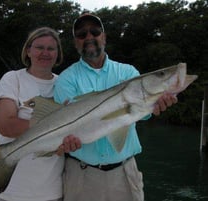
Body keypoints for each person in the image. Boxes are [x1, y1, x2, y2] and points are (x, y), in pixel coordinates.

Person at [54, 13, 178, 201]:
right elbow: (67, 126)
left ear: (103, 37)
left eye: (94, 32)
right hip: (81, 175)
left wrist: (154, 105)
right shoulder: (66, 79)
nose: (89, 37)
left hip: (125, 173)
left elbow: (141, 115)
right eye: (82, 34)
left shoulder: (128, 72)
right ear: (75, 42)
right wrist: (66, 142)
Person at [0, 27, 69, 201]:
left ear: (58, 54)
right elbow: (6, 126)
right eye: (39, 47)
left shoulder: (65, 84)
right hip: (12, 193)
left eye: (51, 48)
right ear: (28, 50)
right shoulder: (12, 79)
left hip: (53, 192)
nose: (45, 53)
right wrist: (60, 125)